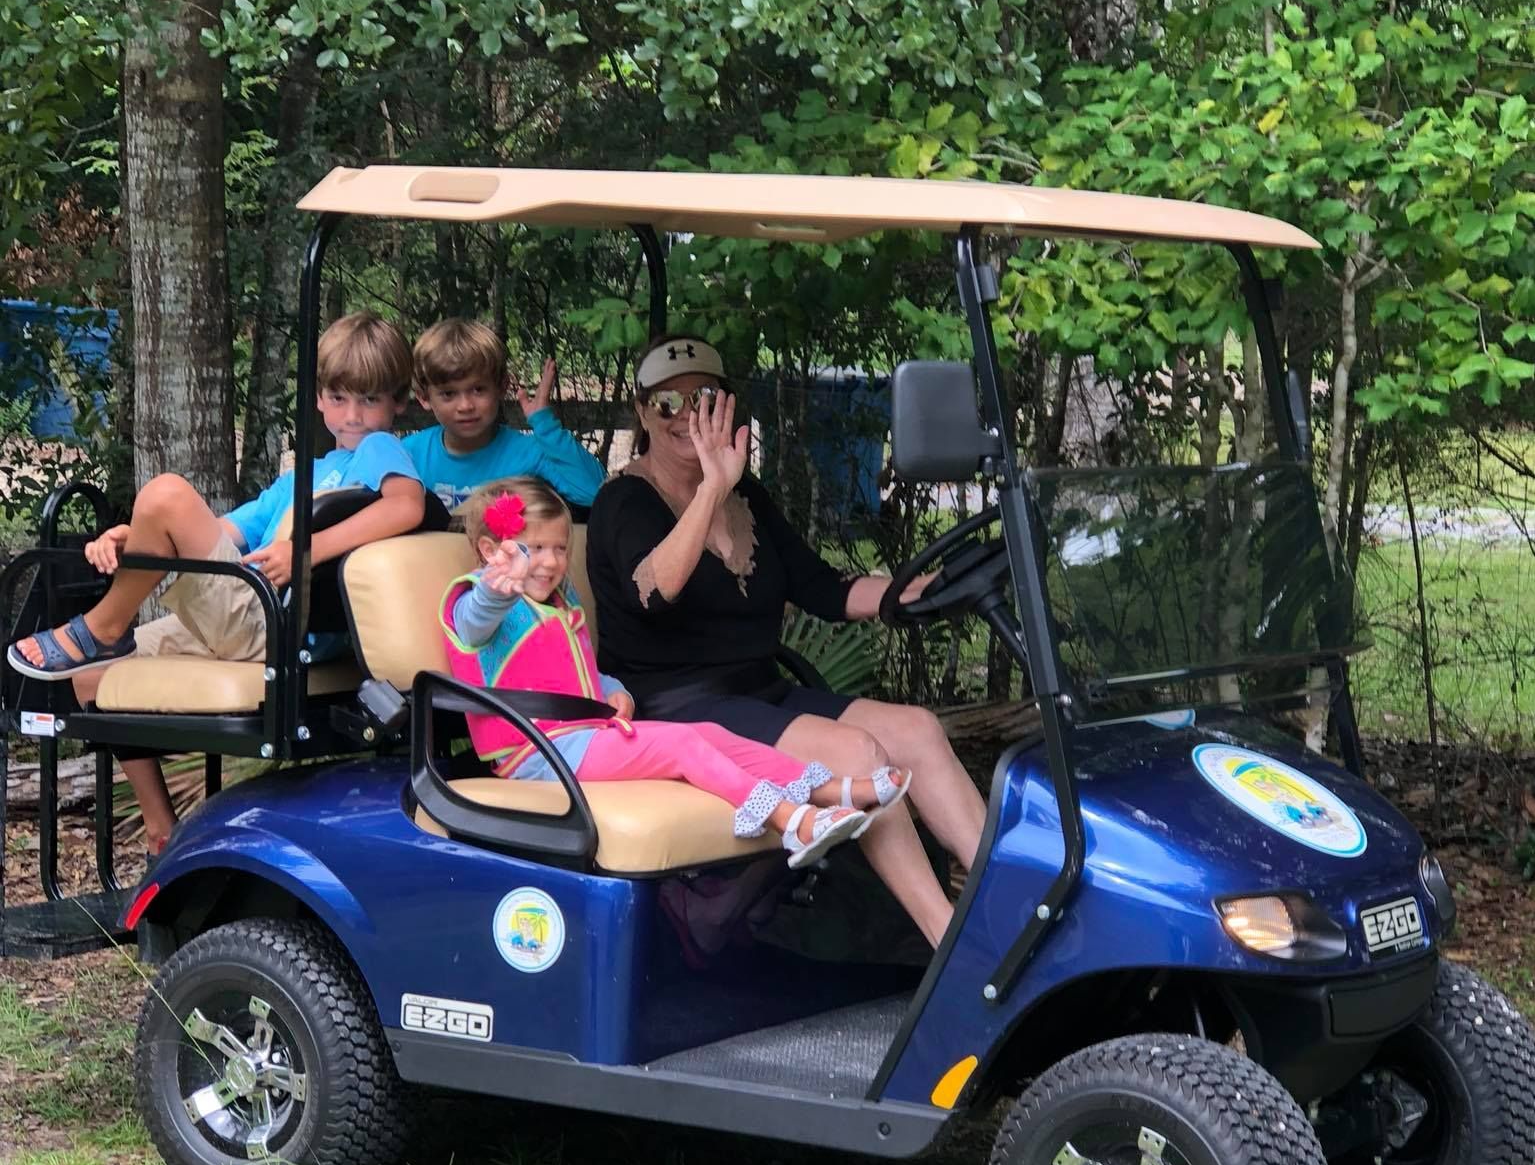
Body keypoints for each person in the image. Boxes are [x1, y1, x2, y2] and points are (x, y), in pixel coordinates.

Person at [584, 335, 988, 947]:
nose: (687, 416)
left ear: (727, 407)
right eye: (668, 403)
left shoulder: (749, 497)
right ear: (642, 413)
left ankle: (1004, 907)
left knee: (917, 730)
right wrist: (712, 488)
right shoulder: (624, 501)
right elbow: (656, 591)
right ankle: (953, 946)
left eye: (704, 399)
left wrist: (927, 590)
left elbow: (824, 590)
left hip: (760, 690)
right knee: (858, 753)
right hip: (677, 710)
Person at [7, 311, 426, 852]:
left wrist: (304, 552)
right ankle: (162, 829)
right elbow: (225, 530)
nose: (354, 416)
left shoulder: (381, 452)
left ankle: (100, 626)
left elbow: (408, 507)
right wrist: (132, 536)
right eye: (340, 397)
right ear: (320, 399)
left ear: (397, 403)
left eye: (370, 400)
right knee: (91, 677)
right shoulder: (303, 477)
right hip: (245, 614)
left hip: (278, 626)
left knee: (164, 492)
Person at [442, 478, 913, 867]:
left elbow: (581, 674)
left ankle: (831, 790)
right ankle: (794, 821)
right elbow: (477, 621)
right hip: (538, 756)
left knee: (708, 732)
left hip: (580, 739)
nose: (549, 561)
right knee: (684, 743)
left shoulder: (559, 604)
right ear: (491, 550)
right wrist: (495, 590)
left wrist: (615, 689)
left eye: (559, 548)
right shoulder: (478, 602)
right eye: (532, 548)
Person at [402, 318, 605, 512]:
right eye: (448, 394)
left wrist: (545, 425)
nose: (465, 406)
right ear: (424, 397)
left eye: (478, 389)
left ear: (502, 387)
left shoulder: (528, 452)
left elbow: (594, 493)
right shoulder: (408, 455)